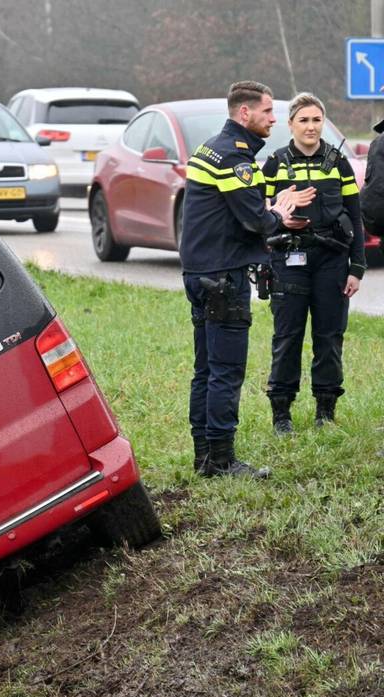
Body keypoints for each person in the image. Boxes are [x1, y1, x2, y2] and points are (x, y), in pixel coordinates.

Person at [179, 81, 315, 477]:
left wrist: (269, 209)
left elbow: (233, 209)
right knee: (226, 371)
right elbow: (254, 220)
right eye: (268, 111)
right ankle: (222, 460)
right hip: (223, 278)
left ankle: (204, 456)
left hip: (201, 272)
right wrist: (279, 213)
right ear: (245, 113)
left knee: (206, 369)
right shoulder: (233, 158)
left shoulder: (211, 148)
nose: (274, 119)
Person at [260, 93, 365, 433]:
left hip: (332, 262)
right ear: (290, 124)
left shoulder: (338, 163)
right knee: (287, 337)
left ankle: (325, 412)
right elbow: (257, 214)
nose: (311, 126)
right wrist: (279, 216)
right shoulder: (274, 163)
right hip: (288, 261)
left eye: (316, 120)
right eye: (303, 120)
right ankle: (281, 414)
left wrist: (357, 267)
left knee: (329, 338)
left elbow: (355, 216)